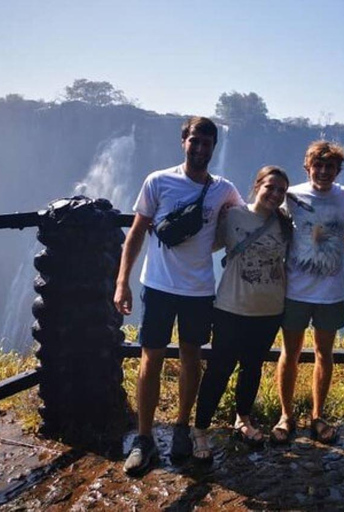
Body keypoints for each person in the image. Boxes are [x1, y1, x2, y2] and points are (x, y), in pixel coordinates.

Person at [114, 117, 242, 475]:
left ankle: (182, 428)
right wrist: (122, 282)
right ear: (183, 141)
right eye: (194, 141)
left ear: (214, 147)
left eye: (206, 143)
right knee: (150, 360)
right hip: (157, 285)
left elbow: (242, 219)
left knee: (190, 358)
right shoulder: (158, 181)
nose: (200, 149)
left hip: (199, 289)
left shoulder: (224, 189)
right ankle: (144, 438)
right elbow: (136, 234)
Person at [191, 166, 292, 462]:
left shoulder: (284, 223)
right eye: (270, 187)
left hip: (270, 310)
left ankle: (243, 420)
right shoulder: (233, 215)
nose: (274, 194)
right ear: (257, 185)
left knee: (252, 367)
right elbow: (206, 244)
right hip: (231, 307)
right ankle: (199, 430)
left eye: (281, 191)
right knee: (219, 370)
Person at [273, 141, 344, 445]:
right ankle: (286, 415)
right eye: (317, 166)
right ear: (308, 168)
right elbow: (270, 219)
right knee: (289, 353)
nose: (323, 171)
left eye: (329, 166)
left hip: (330, 292)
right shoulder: (291, 195)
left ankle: (317, 415)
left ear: (337, 170)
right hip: (295, 289)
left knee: (325, 353)